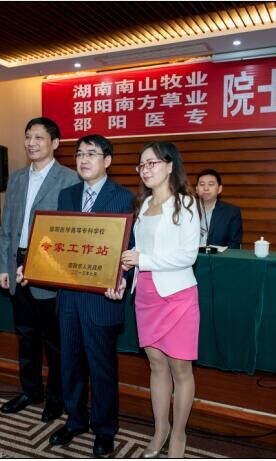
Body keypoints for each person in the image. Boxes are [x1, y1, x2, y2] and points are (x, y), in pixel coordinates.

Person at [19, 134, 134, 457]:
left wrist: (122, 278)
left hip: (102, 299)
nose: (84, 159)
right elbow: (57, 241)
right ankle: (75, 420)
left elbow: (131, 247)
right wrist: (32, 265)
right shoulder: (67, 195)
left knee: (101, 367)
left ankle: (105, 429)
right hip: (68, 297)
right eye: (80, 154)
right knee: (69, 363)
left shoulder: (124, 197)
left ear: (107, 161)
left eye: (92, 154)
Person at [120, 141, 200, 458]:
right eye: (142, 164)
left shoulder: (186, 204)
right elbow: (139, 251)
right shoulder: (141, 206)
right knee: (156, 365)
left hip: (178, 295)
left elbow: (187, 256)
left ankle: (178, 434)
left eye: (152, 163)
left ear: (170, 165)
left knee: (180, 368)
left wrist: (143, 259)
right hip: (146, 293)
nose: (146, 169)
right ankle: (160, 429)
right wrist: (128, 265)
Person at [0, 117, 79, 421]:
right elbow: (7, 226)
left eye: (39, 137)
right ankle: (30, 390)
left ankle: (56, 398)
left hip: (49, 267)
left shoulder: (70, 179)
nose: (31, 143)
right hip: (17, 262)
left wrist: (49, 266)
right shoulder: (17, 178)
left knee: (54, 341)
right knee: (26, 335)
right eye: (28, 136)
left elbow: (71, 231)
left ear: (55, 143)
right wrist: (5, 266)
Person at [195, 169, 242, 248]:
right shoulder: (186, 210)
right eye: (202, 184)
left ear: (219, 189)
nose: (206, 188)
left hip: (219, 255)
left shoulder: (231, 212)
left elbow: (234, 245)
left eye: (211, 184)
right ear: (196, 189)